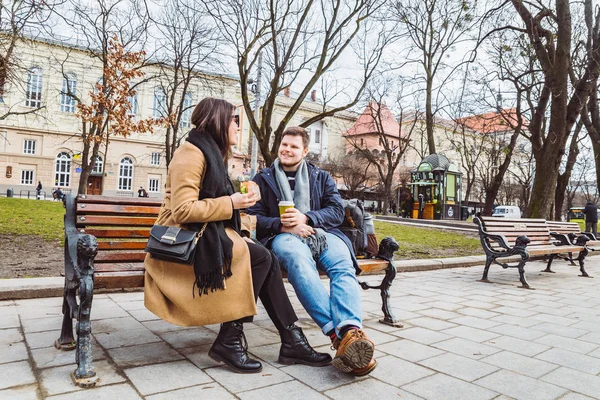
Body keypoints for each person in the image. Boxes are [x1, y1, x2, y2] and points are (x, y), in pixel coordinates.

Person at [144, 99, 329, 374]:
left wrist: (241, 224)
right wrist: (233, 202)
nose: (237, 126)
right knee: (261, 259)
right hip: (182, 246)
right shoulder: (191, 153)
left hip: (206, 236)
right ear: (218, 121)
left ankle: (285, 339)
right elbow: (183, 211)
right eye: (234, 120)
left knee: (261, 257)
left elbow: (217, 205)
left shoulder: (212, 153)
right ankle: (255, 340)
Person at [247, 126, 377, 376]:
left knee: (342, 264)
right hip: (283, 237)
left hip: (321, 234)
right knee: (299, 261)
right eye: (284, 144)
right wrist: (282, 224)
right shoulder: (262, 179)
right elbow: (252, 217)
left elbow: (337, 211)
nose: (287, 149)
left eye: (294, 146)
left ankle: (348, 331)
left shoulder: (321, 177)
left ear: (305, 151)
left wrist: (307, 218)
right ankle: (339, 335)